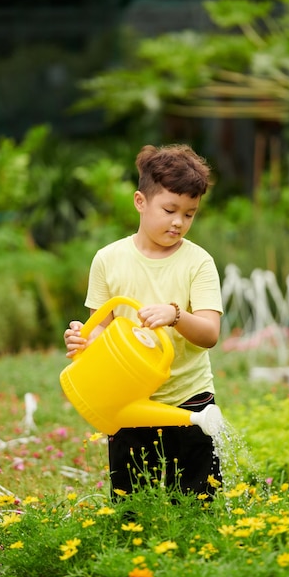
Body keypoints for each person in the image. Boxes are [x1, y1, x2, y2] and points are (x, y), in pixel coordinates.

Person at [64, 143, 223, 497]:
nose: (179, 222)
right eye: (170, 209)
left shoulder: (198, 263)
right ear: (140, 202)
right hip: (129, 401)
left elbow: (210, 334)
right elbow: (100, 328)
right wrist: (83, 341)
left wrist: (176, 315)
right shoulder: (108, 260)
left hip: (189, 400)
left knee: (198, 502)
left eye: (190, 213)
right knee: (132, 503)